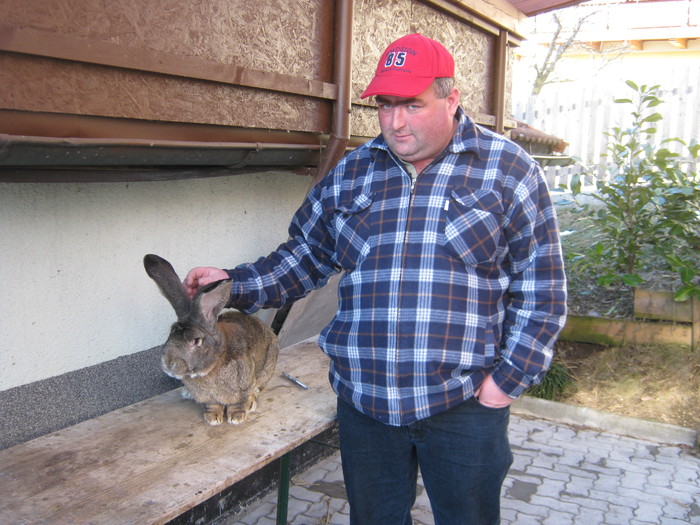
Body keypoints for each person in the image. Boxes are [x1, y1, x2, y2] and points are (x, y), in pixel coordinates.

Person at [184, 33, 567, 525]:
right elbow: (305, 256)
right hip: (366, 403)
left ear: (452, 99)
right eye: (385, 106)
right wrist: (234, 282)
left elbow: (543, 293)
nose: (395, 122)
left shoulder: (509, 171)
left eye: (411, 104)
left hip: (461, 403)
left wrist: (505, 384)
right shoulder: (353, 172)